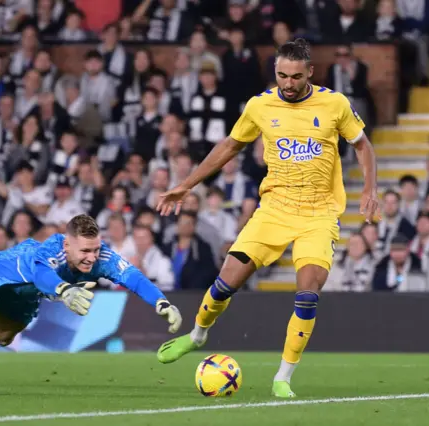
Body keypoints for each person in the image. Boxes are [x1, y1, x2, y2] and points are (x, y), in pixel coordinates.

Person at [154, 38, 378, 398]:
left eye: (295, 76)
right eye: (281, 75)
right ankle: (197, 334)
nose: (288, 83)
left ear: (309, 72)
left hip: (319, 214)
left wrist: (369, 190)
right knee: (227, 280)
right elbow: (229, 145)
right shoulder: (260, 105)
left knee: (307, 294)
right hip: (274, 209)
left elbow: (363, 145)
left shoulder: (334, 103)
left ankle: (283, 377)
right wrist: (186, 185)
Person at [0, 214, 182, 386]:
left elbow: (131, 276)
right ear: (67, 244)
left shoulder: (102, 256)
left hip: (27, 292)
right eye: (85, 250)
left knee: (2, 335)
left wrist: (162, 303)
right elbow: (40, 275)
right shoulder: (52, 249)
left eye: (95, 249)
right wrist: (64, 290)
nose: (92, 257)